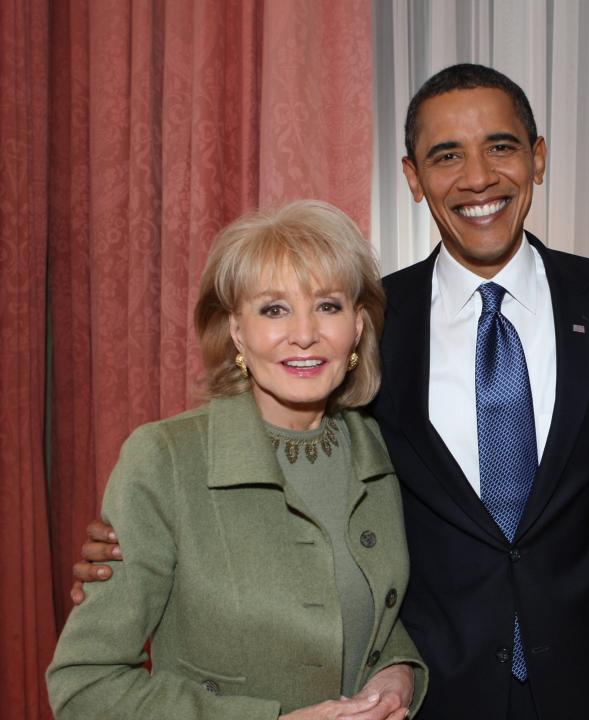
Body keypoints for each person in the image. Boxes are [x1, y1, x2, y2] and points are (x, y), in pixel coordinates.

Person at [68, 65, 589, 719]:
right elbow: (278, 461)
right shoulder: (363, 322)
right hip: (432, 688)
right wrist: (136, 547)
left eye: (500, 146)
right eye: (445, 155)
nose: (478, 176)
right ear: (413, 177)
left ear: (537, 156)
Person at [47, 200, 427, 720]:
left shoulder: (380, 451)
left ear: (358, 327)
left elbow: (372, 610)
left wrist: (396, 670)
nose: (305, 332)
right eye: (274, 308)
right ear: (236, 330)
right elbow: (85, 685)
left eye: (328, 306)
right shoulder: (164, 461)